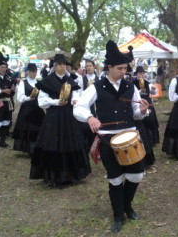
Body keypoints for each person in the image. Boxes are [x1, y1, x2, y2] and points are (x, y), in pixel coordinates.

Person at [74, 40, 150, 233]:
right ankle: (118, 215)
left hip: (130, 135)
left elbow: (136, 113)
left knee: (136, 175)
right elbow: (79, 107)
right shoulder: (96, 87)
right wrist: (90, 117)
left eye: (125, 68)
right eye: (120, 68)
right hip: (108, 138)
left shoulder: (130, 85)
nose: (124, 71)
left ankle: (127, 206)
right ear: (109, 67)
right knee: (115, 178)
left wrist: (142, 110)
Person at [30, 54, 91, 187]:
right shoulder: (47, 81)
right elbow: (42, 101)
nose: (62, 67)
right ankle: (55, 176)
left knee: (71, 142)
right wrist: (57, 102)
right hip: (54, 117)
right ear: (55, 66)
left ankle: (72, 174)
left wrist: (75, 99)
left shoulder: (70, 79)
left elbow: (76, 92)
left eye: (64, 64)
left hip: (69, 116)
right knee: (54, 143)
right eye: (59, 64)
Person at [12, 63, 45, 157]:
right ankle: (29, 150)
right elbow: (19, 97)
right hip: (27, 109)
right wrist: (28, 98)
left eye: (35, 72)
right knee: (29, 129)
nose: (34, 74)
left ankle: (38, 149)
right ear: (28, 72)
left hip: (38, 109)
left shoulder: (39, 83)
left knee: (38, 129)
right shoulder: (23, 83)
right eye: (32, 72)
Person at [133, 66, 159, 167]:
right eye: (139, 73)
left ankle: (152, 139)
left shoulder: (148, 83)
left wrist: (153, 90)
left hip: (148, 104)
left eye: (142, 73)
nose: (141, 75)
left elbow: (153, 93)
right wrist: (140, 92)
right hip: (138, 105)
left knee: (150, 122)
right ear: (136, 74)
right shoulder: (133, 84)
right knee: (142, 124)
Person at [78, 59, 101, 154]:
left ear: (94, 67)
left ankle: (95, 145)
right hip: (86, 104)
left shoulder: (98, 79)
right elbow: (80, 92)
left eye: (90, 66)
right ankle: (86, 145)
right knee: (85, 124)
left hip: (95, 104)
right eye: (87, 66)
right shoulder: (82, 79)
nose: (88, 68)